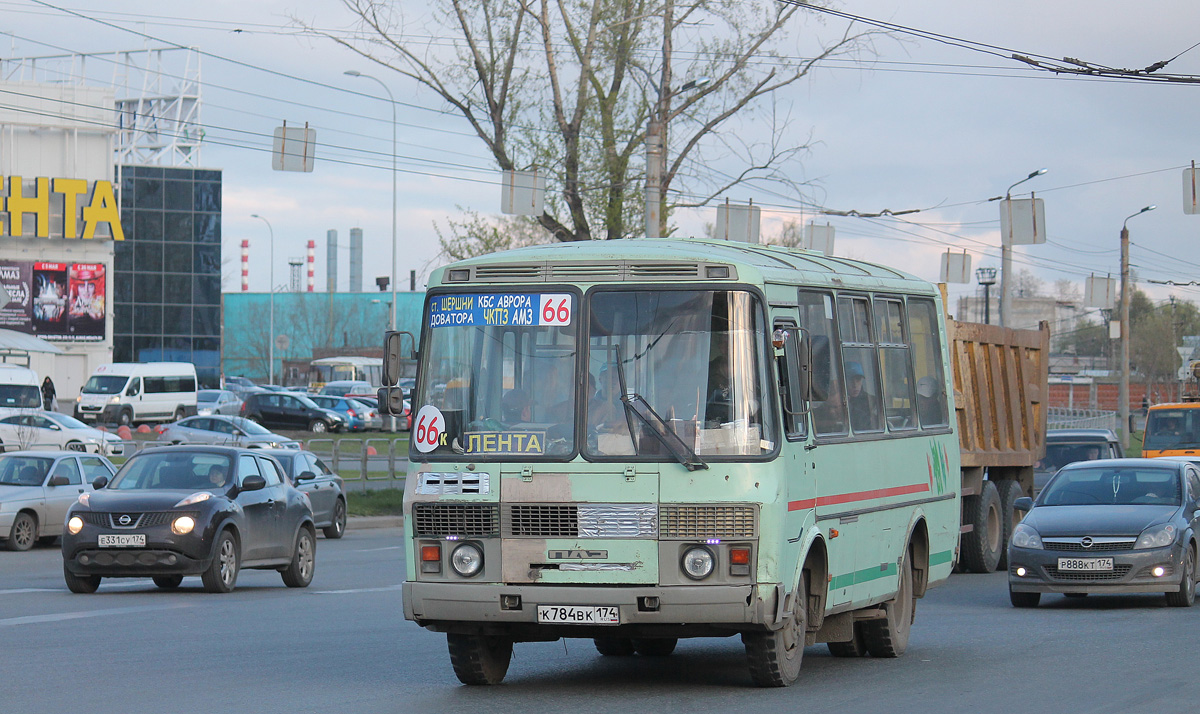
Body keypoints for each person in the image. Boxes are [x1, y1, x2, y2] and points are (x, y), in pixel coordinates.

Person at [845, 361, 879, 431]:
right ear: (844, 381)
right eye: (851, 380)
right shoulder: (837, 402)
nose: (855, 385)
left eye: (858, 380)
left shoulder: (872, 401)